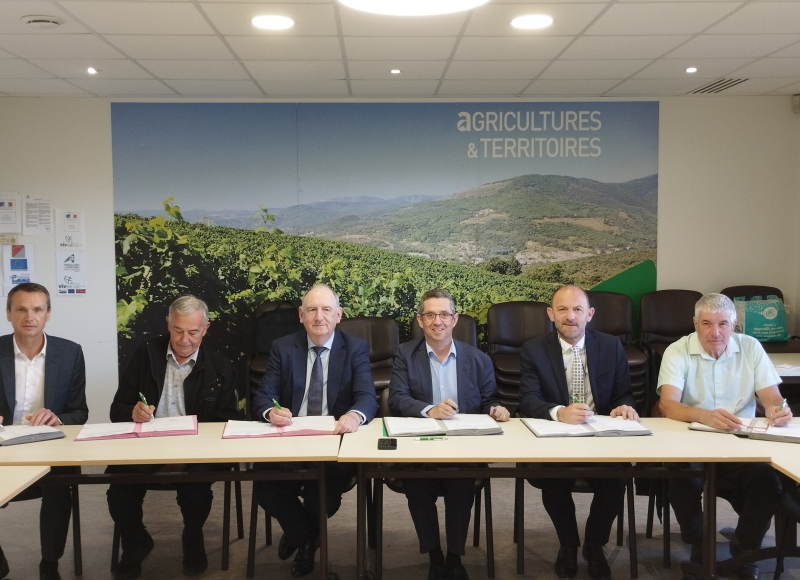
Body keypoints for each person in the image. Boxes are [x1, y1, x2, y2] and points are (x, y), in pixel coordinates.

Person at [658, 293, 791, 580]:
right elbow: (667, 404)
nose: (715, 332)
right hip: (691, 441)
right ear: (695, 324)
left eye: (722, 324)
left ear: (734, 325)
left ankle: (745, 548)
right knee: (682, 481)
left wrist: (778, 409)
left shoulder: (751, 347)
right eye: (706, 324)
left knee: (768, 482)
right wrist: (704, 415)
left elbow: (773, 398)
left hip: (739, 442)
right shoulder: (677, 350)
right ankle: (699, 546)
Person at [106, 295, 239, 580]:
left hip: (196, 451)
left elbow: (226, 424)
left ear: (206, 329)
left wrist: (184, 459)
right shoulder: (145, 354)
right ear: (168, 323)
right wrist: (132, 411)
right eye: (178, 330)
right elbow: (116, 410)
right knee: (118, 492)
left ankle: (193, 537)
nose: (184, 340)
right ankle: (135, 543)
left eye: (193, 332)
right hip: (145, 448)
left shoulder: (220, 366)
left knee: (196, 492)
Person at [251, 284, 377, 578]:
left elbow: (367, 397)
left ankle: (301, 539)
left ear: (338, 315)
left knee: (324, 497)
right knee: (264, 488)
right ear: (301, 315)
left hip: (332, 442)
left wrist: (354, 415)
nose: (319, 317)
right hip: (289, 439)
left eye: (326, 310)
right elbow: (263, 395)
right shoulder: (283, 347)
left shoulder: (355, 348)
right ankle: (305, 536)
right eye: (312, 310)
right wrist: (271, 411)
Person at [388, 289, 510, 580]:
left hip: (462, 448)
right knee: (416, 485)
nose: (438, 321)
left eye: (444, 314)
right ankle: (434, 556)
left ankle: (454, 557)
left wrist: (496, 410)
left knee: (461, 483)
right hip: (420, 448)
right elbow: (396, 398)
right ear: (420, 320)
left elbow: (489, 400)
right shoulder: (405, 354)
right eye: (430, 315)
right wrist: (430, 410)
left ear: (455, 319)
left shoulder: (478, 359)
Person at [519, 285, 637, 580]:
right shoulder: (534, 349)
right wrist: (559, 412)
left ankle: (594, 546)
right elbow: (528, 399)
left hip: (602, 436)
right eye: (562, 309)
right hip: (557, 437)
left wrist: (624, 407)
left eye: (577, 310)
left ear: (589, 314)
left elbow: (624, 393)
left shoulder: (610, 346)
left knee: (617, 479)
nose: (570, 316)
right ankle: (568, 545)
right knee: (552, 478)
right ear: (551, 314)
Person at [0, 283, 88, 580]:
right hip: (2, 446)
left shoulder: (70, 352)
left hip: (49, 445)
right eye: (21, 309)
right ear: (8, 313)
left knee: (60, 486)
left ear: (48, 313)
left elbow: (80, 412)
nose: (30, 317)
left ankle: (50, 562)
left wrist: (57, 418)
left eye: (37, 309)